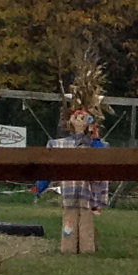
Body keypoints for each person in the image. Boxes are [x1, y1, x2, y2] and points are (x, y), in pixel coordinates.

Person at [52, 109, 109, 255]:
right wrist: (39, 186)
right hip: (70, 193)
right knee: (69, 221)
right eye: (76, 117)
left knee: (86, 223)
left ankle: (87, 248)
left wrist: (93, 133)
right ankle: (68, 247)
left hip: (87, 194)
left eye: (83, 117)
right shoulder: (60, 144)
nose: (79, 120)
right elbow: (49, 167)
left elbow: (100, 155)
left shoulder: (94, 144)